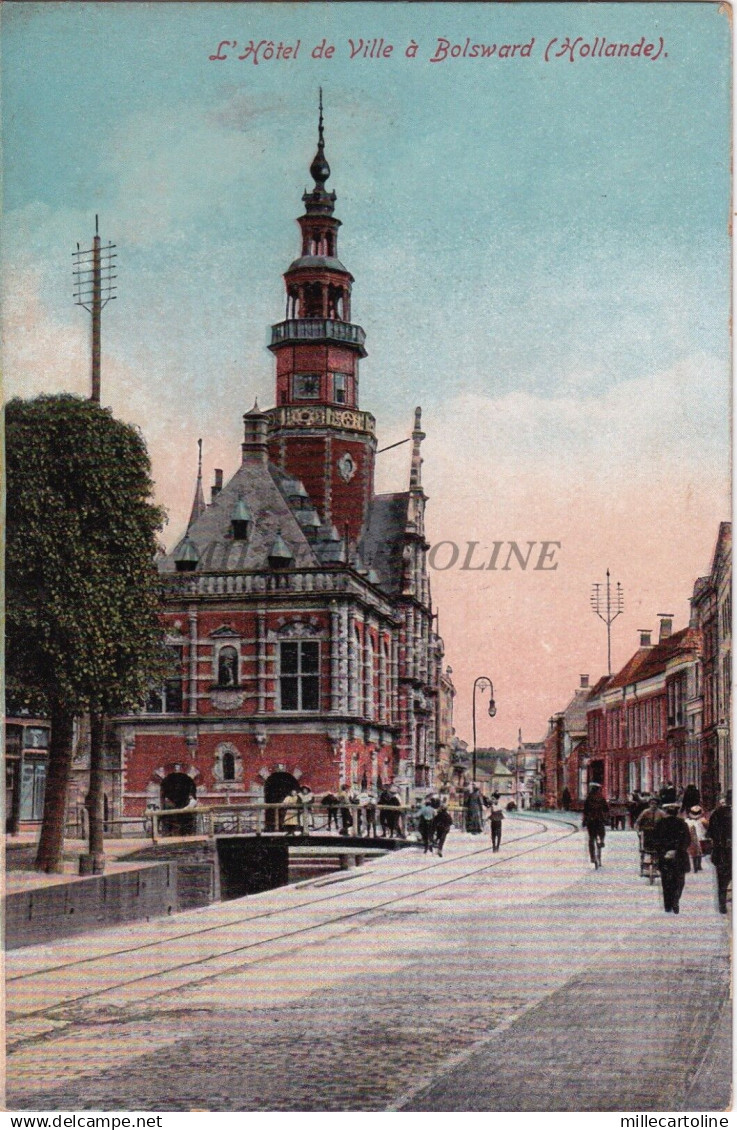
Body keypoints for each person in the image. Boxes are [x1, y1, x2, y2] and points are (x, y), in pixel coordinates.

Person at [652, 802, 691, 913]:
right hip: (679, 857)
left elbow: (655, 841)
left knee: (666, 881)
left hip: (665, 858)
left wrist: (664, 852)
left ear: (666, 812)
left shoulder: (660, 823)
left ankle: (667, 905)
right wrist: (677, 851)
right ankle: (675, 899)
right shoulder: (682, 824)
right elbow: (687, 840)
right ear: (677, 812)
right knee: (679, 880)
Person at [708, 791, 732, 914]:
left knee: (722, 881)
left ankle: (722, 906)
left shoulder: (717, 813)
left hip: (721, 853)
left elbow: (710, 833)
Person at [582, 782, 609, 868]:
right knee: (602, 833)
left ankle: (593, 857)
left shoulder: (588, 798)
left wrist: (584, 821)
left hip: (591, 821)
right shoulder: (601, 798)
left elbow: (585, 811)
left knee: (591, 839)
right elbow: (606, 808)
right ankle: (601, 841)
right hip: (600, 820)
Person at [684, 804, 709, 872]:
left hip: (699, 838)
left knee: (698, 852)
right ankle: (697, 865)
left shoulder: (700, 820)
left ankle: (698, 865)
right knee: (696, 852)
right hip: (695, 838)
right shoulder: (688, 821)